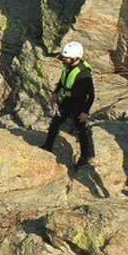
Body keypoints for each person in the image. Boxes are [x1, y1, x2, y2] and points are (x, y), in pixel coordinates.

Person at [41, 41, 96, 169]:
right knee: (55, 123)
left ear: (75, 57)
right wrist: (55, 92)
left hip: (79, 104)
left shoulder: (84, 74)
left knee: (81, 130)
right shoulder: (67, 66)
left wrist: (85, 112)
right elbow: (62, 81)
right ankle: (47, 146)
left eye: (66, 57)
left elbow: (91, 95)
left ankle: (84, 157)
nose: (63, 59)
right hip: (67, 101)